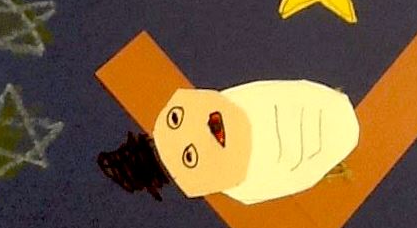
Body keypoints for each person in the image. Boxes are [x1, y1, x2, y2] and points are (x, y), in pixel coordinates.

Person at [98, 80, 359, 204]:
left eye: (175, 119)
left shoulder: (236, 100)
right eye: (189, 156)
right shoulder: (245, 186)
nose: (202, 130)